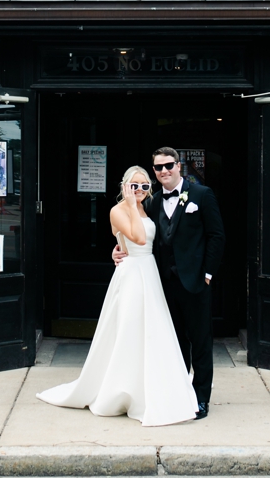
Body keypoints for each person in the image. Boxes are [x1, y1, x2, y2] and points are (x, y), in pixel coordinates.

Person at [37, 166, 199, 426]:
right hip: (131, 273)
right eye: (134, 185)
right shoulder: (118, 210)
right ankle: (122, 390)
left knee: (153, 331)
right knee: (129, 329)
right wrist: (131, 207)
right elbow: (135, 236)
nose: (140, 190)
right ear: (125, 186)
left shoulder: (150, 206)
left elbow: (159, 239)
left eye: (145, 186)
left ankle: (152, 387)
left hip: (150, 272)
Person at [113, 147, 225, 419]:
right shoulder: (150, 203)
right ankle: (178, 393)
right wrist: (117, 250)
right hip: (161, 284)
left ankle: (201, 398)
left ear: (179, 165)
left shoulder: (201, 194)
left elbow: (216, 236)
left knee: (199, 342)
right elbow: (138, 236)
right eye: (158, 167)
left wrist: (208, 274)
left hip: (196, 282)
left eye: (168, 165)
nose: (164, 171)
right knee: (173, 342)